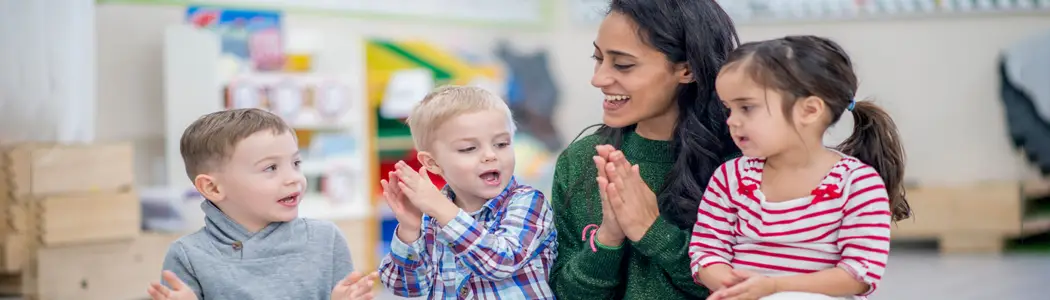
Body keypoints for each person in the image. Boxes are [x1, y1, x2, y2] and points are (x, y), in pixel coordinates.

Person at [688, 35, 910, 300]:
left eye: (747, 108)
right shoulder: (730, 177)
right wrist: (736, 284)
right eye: (729, 109)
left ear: (810, 110)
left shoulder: (858, 184)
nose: (732, 122)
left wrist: (774, 288)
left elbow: (859, 275)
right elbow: (706, 253)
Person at [548, 0, 741, 299]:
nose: (598, 79)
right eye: (598, 58)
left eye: (623, 64)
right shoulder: (582, 160)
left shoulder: (741, 166)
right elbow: (566, 294)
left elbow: (751, 288)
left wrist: (653, 231)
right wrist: (608, 239)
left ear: (687, 69)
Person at [146, 108, 377, 300]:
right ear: (213, 188)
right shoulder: (188, 256)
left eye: (296, 163)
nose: (294, 178)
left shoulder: (326, 240)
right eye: (271, 168)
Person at [377, 86, 557, 299]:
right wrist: (409, 229)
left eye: (502, 144)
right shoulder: (430, 219)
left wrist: (444, 212)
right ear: (432, 163)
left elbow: (501, 262)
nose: (490, 155)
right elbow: (406, 288)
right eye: (469, 149)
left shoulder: (528, 202)